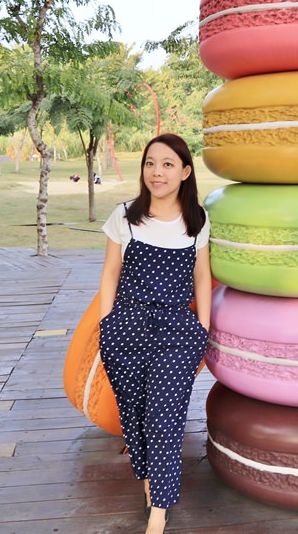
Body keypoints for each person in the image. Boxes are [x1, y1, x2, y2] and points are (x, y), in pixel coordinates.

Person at [97, 134, 211, 534]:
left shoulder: (197, 220)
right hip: (125, 329)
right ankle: (148, 483)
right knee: (136, 416)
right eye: (149, 163)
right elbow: (110, 274)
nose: (156, 172)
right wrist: (106, 325)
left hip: (178, 331)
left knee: (164, 417)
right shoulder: (125, 215)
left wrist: (204, 329)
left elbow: (201, 276)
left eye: (166, 164)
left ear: (185, 171)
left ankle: (159, 512)